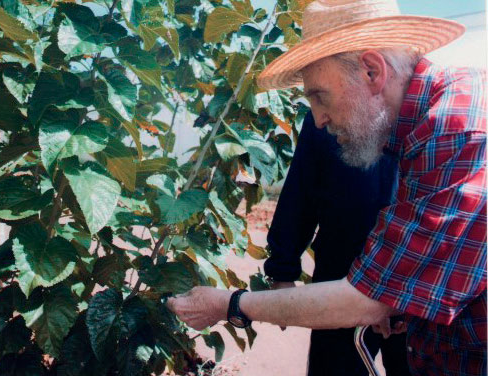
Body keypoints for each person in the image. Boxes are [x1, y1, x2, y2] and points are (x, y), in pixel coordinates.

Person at [166, 1, 487, 375]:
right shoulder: (425, 124)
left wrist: (230, 304)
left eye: (320, 96)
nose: (317, 120)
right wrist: (398, 301)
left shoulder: (457, 131)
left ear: (371, 71)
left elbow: (367, 299)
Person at [265, 110, 410, 376]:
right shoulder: (329, 107)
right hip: (341, 273)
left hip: (413, 286)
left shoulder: (428, 113)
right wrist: (281, 270)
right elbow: (301, 190)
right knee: (333, 368)